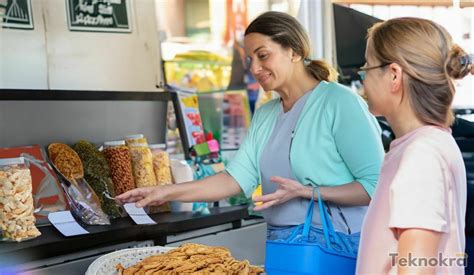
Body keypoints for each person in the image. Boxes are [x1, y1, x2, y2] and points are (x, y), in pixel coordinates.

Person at [117, 11, 384, 251]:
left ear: (294, 52)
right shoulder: (267, 114)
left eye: (263, 55)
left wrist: (310, 192)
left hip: (337, 246)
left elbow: (375, 186)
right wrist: (165, 191)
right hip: (283, 244)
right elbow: (235, 179)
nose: (255, 68)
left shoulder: (339, 102)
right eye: (250, 58)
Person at [356, 17, 471, 274]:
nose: (362, 78)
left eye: (368, 67)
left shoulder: (422, 156)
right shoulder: (429, 144)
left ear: (394, 75)